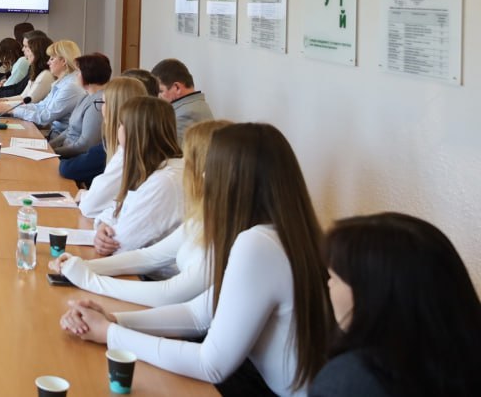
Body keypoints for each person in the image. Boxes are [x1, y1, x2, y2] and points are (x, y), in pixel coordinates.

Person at [62, 122, 331, 397]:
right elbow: (198, 313)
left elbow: (210, 365)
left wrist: (109, 333)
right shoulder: (286, 234)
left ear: (235, 181)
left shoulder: (258, 244)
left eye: (212, 168)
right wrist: (114, 320)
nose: (202, 175)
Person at [51, 119, 232, 307]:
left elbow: (169, 293)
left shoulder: (169, 181)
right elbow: (150, 256)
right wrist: (83, 265)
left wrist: (88, 279)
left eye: (188, 160)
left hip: (164, 298)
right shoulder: (203, 215)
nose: (183, 167)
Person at [311, 213, 481, 397]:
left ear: (371, 294)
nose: (328, 284)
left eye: (333, 277)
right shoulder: (462, 360)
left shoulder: (351, 379)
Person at [84, 95, 184, 256]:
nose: (118, 129)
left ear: (134, 132)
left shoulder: (164, 181)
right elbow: (118, 205)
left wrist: (103, 236)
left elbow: (121, 244)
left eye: (121, 125)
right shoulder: (149, 165)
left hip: (145, 269)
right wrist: (103, 224)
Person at [57, 72, 144, 187]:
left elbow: (68, 169)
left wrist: (56, 154)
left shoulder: (109, 149)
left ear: (112, 108)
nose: (101, 108)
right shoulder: (142, 145)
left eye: (103, 102)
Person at [9, 39, 85, 132]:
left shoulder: (71, 86)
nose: (48, 62)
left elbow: (45, 118)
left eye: (52, 59)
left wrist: (13, 110)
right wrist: (10, 107)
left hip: (59, 137)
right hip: (52, 133)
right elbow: (41, 106)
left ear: (63, 61)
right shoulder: (62, 82)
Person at [48, 53, 112, 158]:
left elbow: (85, 145)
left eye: (78, 72)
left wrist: (52, 152)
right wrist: (48, 146)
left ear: (88, 74)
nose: (76, 75)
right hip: (65, 152)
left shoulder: (98, 103)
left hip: (74, 158)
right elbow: (70, 130)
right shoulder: (85, 97)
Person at [151, 58, 213, 143]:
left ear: (177, 88)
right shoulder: (195, 106)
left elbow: (170, 149)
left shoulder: (187, 114)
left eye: (160, 91)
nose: (157, 97)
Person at [0, 31, 54, 105]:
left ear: (36, 50)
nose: (22, 49)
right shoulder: (34, 69)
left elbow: (28, 102)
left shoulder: (46, 74)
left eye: (26, 46)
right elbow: (22, 96)